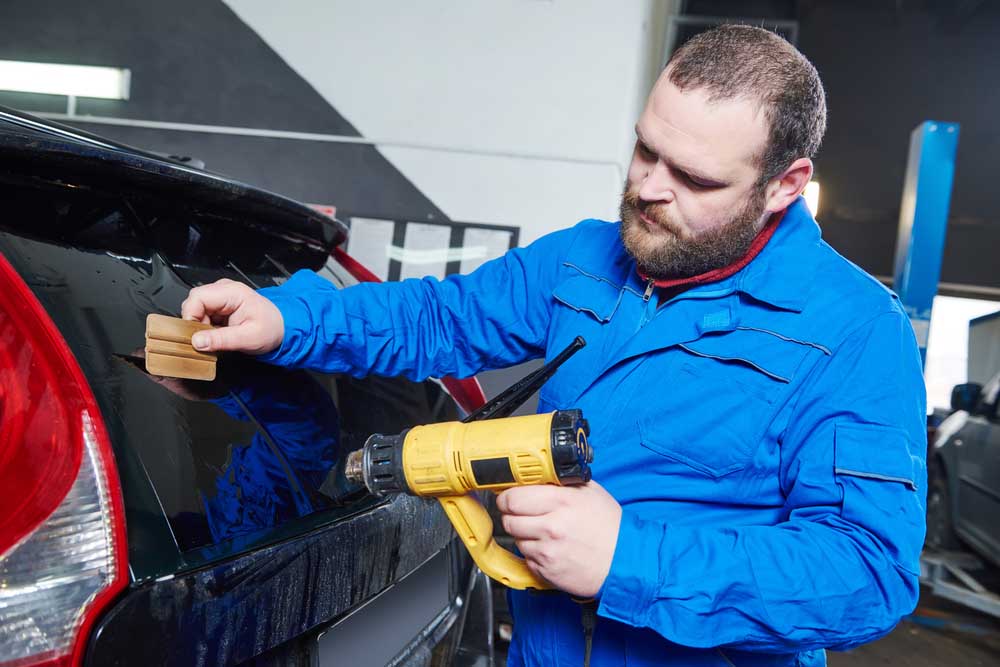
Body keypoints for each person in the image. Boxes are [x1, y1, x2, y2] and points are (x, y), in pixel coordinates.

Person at [181, 25, 926, 667]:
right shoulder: (581, 260)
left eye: (692, 176)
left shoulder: (857, 332)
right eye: (644, 148)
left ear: (784, 186)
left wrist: (629, 557)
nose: (647, 188)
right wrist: (288, 320)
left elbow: (868, 572)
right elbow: (437, 320)